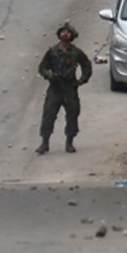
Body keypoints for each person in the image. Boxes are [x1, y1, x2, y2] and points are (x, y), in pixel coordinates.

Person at [36, 21, 92, 154]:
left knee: (72, 114)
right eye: (62, 31)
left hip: (69, 87)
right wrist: (49, 75)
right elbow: (42, 67)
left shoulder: (76, 52)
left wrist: (80, 81)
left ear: (72, 35)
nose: (65, 34)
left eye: (67, 32)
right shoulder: (52, 52)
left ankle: (69, 143)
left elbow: (87, 66)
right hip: (55, 88)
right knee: (49, 115)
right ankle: (45, 143)